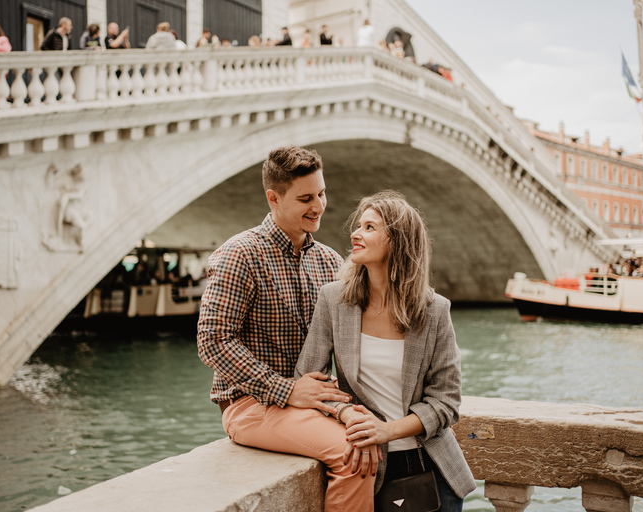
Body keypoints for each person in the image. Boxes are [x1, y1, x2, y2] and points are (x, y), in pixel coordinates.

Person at [198, 145, 378, 511]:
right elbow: (212, 341)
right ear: (273, 198)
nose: (319, 206)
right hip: (249, 404)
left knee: (374, 436)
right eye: (306, 198)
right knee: (352, 451)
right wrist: (286, 389)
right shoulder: (240, 254)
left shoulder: (329, 260)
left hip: (315, 404)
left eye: (322, 193)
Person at [295, 191, 476, 511]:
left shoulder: (434, 310)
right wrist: (345, 414)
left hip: (431, 469)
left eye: (369, 227)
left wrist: (386, 430)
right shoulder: (333, 300)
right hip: (366, 470)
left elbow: (447, 402)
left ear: (397, 241)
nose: (355, 233)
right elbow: (308, 380)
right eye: (358, 225)